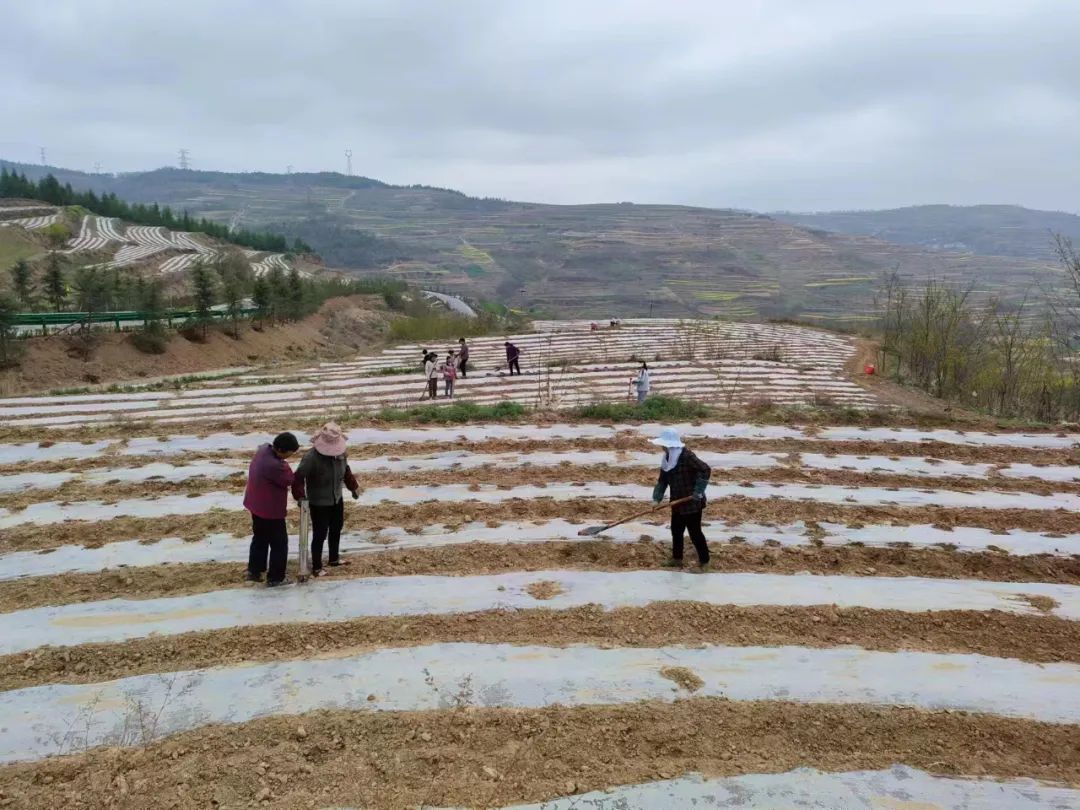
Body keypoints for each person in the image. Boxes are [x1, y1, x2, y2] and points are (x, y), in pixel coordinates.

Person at [291, 423, 360, 577]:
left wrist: (353, 487)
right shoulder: (311, 458)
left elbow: (346, 471)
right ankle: (316, 567)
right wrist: (301, 497)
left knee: (336, 528)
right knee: (320, 533)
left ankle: (334, 559)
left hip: (337, 498)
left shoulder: (341, 454)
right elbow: (297, 478)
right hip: (319, 502)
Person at [244, 431, 300, 587]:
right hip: (269, 510)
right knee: (279, 543)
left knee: (260, 537)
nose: (289, 457)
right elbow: (289, 479)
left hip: (255, 504)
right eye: (289, 454)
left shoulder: (263, 450)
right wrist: (285, 465)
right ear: (281, 450)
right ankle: (276, 577)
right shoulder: (274, 465)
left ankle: (254, 571)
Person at [651, 427, 711, 570]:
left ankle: (705, 561)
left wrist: (698, 490)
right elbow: (662, 481)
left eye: (663, 445)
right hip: (676, 501)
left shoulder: (686, 456)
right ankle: (677, 559)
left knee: (695, 533)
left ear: (670, 444)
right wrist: (656, 499)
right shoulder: (666, 459)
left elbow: (705, 469)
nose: (662, 447)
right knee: (676, 531)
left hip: (692, 502)